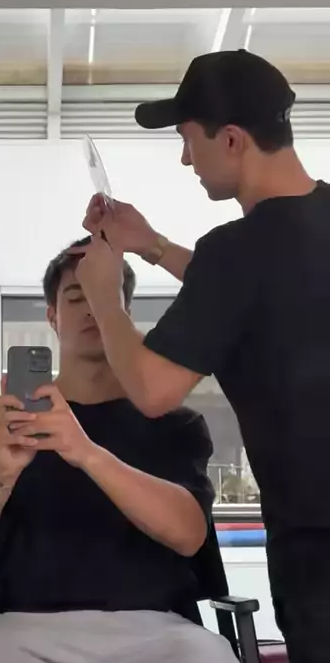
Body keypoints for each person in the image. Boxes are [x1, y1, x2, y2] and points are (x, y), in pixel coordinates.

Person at [76, 49, 330, 663]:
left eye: (189, 140)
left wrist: (104, 296)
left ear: (233, 140)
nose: (186, 159)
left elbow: (152, 390)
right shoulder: (294, 234)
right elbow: (263, 293)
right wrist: (153, 246)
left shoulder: (235, 251)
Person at [0, 238, 235, 663]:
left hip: (156, 630)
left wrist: (85, 452)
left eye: (102, 296)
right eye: (76, 298)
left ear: (123, 312)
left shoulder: (173, 423)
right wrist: (0, 475)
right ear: (52, 318)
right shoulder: (2, 429)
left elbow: (188, 535)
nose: (91, 308)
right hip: (19, 629)